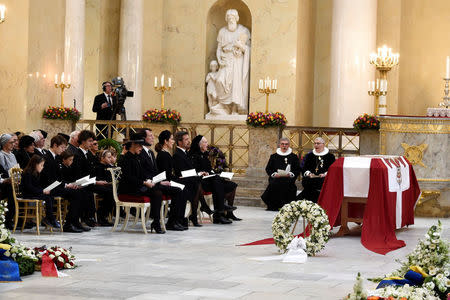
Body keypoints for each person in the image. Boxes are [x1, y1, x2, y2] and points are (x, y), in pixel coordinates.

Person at [118, 133, 164, 234]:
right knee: (157, 193)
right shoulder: (126, 159)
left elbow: (141, 174)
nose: (141, 148)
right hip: (129, 189)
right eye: (139, 146)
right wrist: (144, 182)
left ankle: (156, 222)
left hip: (137, 186)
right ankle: (156, 222)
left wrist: (148, 181)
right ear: (133, 145)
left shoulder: (136, 157)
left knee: (157, 191)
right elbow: (128, 178)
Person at [40, 135, 87, 233]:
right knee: (76, 193)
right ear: (55, 145)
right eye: (62, 147)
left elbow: (59, 178)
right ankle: (69, 224)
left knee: (81, 191)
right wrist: (66, 185)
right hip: (48, 188)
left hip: (55, 186)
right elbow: (49, 179)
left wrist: (69, 184)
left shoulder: (56, 157)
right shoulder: (46, 158)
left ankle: (75, 222)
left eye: (65, 148)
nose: (63, 150)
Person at [189, 135, 239, 224]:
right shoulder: (194, 155)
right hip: (201, 182)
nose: (207, 144)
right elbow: (194, 171)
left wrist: (214, 173)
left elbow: (209, 169)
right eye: (205, 142)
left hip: (210, 181)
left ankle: (226, 213)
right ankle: (220, 212)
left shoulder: (205, 155)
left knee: (232, 185)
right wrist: (204, 173)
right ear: (199, 144)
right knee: (217, 182)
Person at [214, 9, 251, 115]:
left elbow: (248, 48)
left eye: (233, 17)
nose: (231, 19)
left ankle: (234, 108)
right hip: (225, 60)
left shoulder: (243, 31)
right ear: (226, 19)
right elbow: (218, 48)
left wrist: (240, 47)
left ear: (237, 18)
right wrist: (219, 60)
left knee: (236, 84)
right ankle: (224, 105)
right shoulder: (222, 31)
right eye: (229, 17)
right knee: (219, 80)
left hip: (237, 60)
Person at [155, 130, 189, 231]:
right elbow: (166, 175)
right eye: (171, 139)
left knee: (184, 189)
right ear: (165, 141)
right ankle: (172, 221)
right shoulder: (163, 155)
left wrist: (177, 179)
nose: (173, 141)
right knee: (180, 190)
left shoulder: (166, 153)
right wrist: (177, 179)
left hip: (167, 180)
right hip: (163, 182)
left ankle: (179, 219)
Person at [173, 131, 207, 227]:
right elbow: (181, 172)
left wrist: (198, 173)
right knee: (197, 183)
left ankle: (196, 214)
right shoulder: (177, 154)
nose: (189, 141)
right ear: (179, 142)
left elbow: (191, 169)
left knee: (197, 182)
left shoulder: (186, 153)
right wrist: (196, 174)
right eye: (186, 139)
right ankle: (197, 213)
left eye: (189, 139)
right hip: (182, 181)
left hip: (189, 180)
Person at [261, 138, 301, 211]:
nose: (284, 146)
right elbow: (268, 168)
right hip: (276, 178)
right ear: (279, 145)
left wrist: (291, 174)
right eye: (282, 144)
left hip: (288, 179)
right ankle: (273, 206)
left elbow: (297, 169)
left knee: (287, 185)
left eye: (286, 144)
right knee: (275, 184)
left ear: (289, 145)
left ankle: (286, 206)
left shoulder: (294, 157)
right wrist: (274, 174)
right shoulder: (273, 156)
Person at [21, 155, 59, 228]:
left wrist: (44, 190)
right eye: (41, 165)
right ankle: (50, 218)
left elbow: (37, 186)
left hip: (33, 193)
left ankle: (49, 218)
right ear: (35, 164)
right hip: (28, 194)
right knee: (47, 197)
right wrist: (42, 191)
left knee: (50, 196)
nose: (42, 167)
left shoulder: (36, 173)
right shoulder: (27, 173)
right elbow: (29, 187)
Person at [297, 137, 336, 203]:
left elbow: (332, 169)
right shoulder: (310, 155)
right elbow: (305, 167)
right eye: (315, 143)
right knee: (307, 181)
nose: (316, 145)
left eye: (318, 143)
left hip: (323, 178)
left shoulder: (330, 156)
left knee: (321, 182)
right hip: (311, 177)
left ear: (323, 144)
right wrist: (308, 173)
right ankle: (307, 201)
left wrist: (325, 174)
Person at [93, 150, 115, 226]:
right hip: (97, 185)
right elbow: (97, 178)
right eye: (109, 157)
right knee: (110, 193)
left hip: (106, 185)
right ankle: (101, 216)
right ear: (102, 158)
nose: (111, 159)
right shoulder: (98, 166)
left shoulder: (109, 166)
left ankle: (104, 216)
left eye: (111, 157)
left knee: (113, 192)